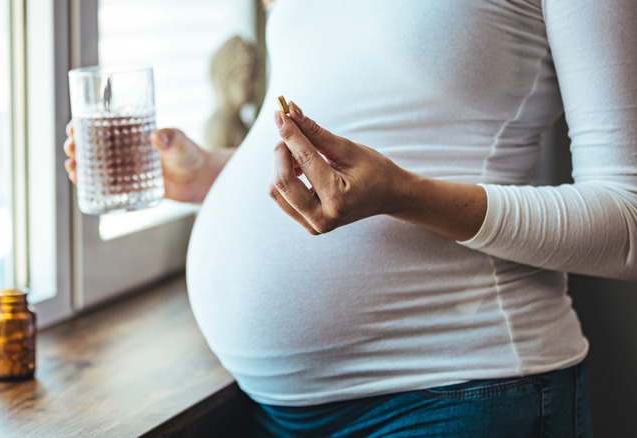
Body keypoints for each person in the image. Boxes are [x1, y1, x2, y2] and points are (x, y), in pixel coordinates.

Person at [65, 0, 637, 436]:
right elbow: (358, 135)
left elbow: (628, 221)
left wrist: (403, 194)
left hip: (454, 393)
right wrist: (213, 174)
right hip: (274, 409)